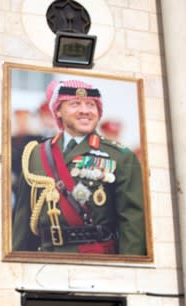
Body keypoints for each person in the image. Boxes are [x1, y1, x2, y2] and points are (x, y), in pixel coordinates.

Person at [11, 79, 146, 255]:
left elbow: (133, 223)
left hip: (97, 260)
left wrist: (129, 272)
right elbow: (24, 220)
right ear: (58, 111)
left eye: (91, 105)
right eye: (75, 104)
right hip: (45, 260)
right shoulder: (36, 154)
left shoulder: (120, 156)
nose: (85, 110)